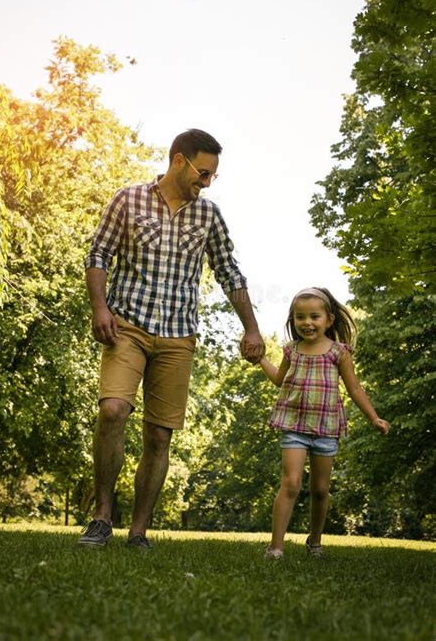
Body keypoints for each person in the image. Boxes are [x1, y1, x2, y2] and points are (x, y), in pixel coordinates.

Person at [79, 128, 265, 548]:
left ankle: (139, 532)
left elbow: (228, 271)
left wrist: (251, 327)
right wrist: (99, 307)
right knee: (112, 410)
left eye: (212, 176)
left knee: (159, 435)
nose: (207, 182)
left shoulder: (209, 216)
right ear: (178, 161)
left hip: (179, 335)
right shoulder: (129, 200)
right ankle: (102, 517)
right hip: (126, 325)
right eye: (203, 172)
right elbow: (98, 255)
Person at [259, 287, 389, 559]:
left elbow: (354, 389)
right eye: (300, 317)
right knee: (290, 483)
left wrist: (373, 416)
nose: (307, 322)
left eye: (314, 316)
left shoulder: (339, 353)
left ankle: (315, 541)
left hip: (326, 429)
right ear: (293, 320)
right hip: (294, 425)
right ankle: (276, 547)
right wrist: (260, 358)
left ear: (328, 320)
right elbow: (278, 380)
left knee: (319, 490)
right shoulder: (291, 351)